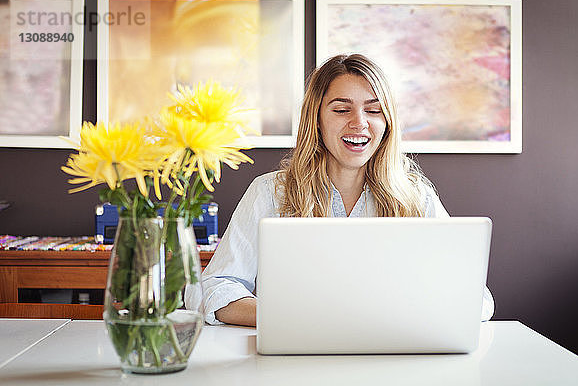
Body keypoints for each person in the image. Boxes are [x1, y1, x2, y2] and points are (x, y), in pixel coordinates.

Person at [187, 54, 495, 326]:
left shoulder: (416, 198)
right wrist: (292, 315)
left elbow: (477, 298)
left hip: (393, 357)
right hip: (295, 358)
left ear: (387, 122)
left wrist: (404, 313)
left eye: (373, 110)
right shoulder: (270, 192)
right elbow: (212, 288)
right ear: (317, 119)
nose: (359, 123)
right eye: (341, 109)